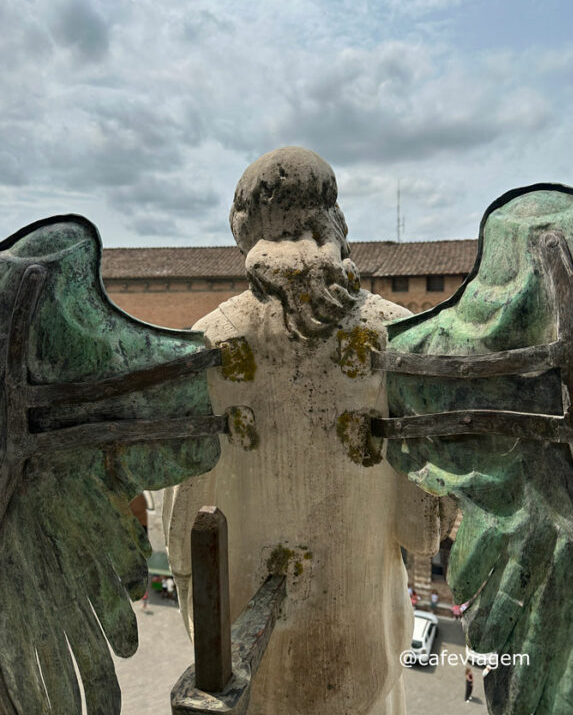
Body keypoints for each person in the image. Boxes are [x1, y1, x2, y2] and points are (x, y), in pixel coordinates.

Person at [164, 147, 449, 715]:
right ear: (333, 218)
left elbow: (180, 535)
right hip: (361, 648)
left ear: (243, 229)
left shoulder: (210, 339)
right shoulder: (393, 333)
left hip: (247, 658)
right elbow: (420, 530)